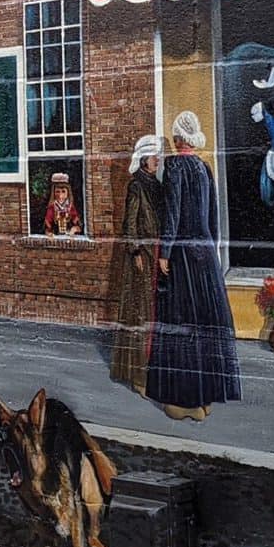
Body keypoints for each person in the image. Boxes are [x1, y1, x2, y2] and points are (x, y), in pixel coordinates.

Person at [147, 111, 241, 420]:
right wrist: (212, 252)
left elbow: (172, 213)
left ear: (177, 140)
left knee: (181, 323)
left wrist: (165, 252)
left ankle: (185, 401)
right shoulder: (204, 167)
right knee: (206, 324)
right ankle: (206, 398)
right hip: (205, 255)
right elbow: (213, 217)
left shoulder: (174, 167)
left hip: (183, 254)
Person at [108, 135, 164, 393]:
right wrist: (135, 251)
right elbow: (129, 223)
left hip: (156, 254)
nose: (157, 160)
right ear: (143, 160)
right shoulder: (136, 186)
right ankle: (137, 375)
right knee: (140, 312)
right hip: (141, 258)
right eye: (154, 157)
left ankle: (153, 370)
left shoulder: (156, 184)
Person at [42, 172, 82, 237]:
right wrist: (49, 232)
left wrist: (74, 229)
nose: (60, 195)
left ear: (68, 192)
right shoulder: (52, 207)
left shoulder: (70, 206)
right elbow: (47, 225)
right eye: (57, 192)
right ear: (53, 193)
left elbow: (77, 224)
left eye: (63, 191)